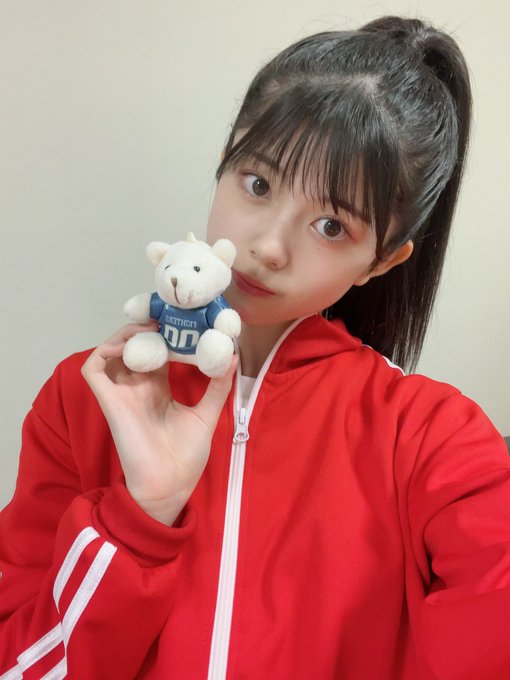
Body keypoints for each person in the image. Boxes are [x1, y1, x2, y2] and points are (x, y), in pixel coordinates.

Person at [0, 14, 509, 680]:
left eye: (331, 225)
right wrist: (140, 520)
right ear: (226, 159)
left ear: (382, 262)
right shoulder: (88, 396)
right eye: (258, 184)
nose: (268, 246)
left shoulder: (431, 437)